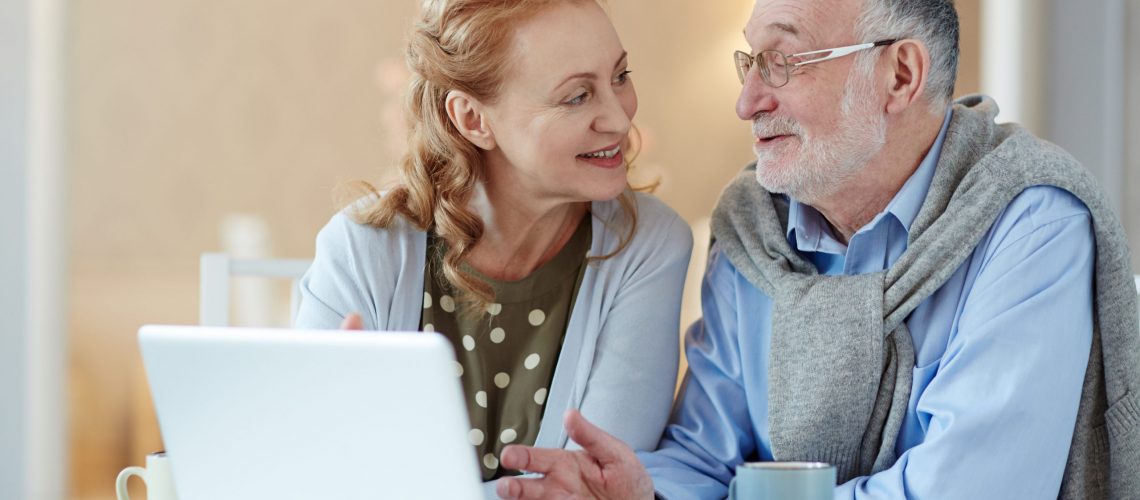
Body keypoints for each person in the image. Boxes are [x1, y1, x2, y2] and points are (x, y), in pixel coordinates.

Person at [494, 0, 1140, 498]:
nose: (748, 102)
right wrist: (642, 490)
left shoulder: (1029, 224)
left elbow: (968, 489)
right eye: (750, 63)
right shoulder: (753, 230)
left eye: (784, 63)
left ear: (900, 74)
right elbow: (704, 455)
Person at [293, 0, 693, 497]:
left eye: (620, 76)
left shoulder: (648, 246)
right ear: (472, 118)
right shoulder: (362, 249)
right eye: (576, 97)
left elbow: (593, 487)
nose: (618, 118)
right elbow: (306, 470)